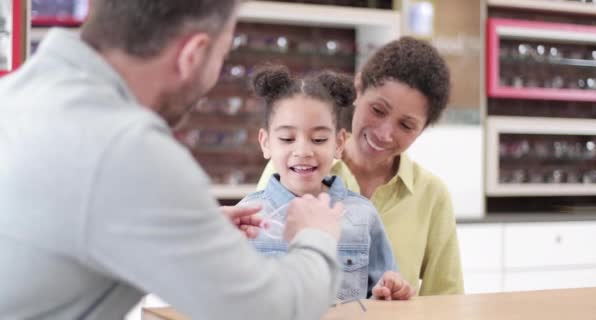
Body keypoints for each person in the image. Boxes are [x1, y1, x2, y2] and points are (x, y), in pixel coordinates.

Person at [0, 1, 346, 319]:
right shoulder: (127, 148)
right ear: (193, 54)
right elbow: (272, 312)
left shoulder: (21, 93)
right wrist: (316, 237)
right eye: (221, 56)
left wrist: (192, 231)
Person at [258, 36, 465, 296]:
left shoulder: (432, 195)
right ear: (359, 87)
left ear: (423, 129)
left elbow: (446, 301)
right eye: (378, 110)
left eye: (406, 125)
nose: (385, 133)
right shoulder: (295, 170)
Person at [240, 65, 415, 302]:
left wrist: (392, 290)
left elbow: (384, 294)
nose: (303, 151)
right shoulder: (246, 218)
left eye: (319, 139)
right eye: (287, 138)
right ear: (266, 142)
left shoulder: (363, 215)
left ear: (339, 143)